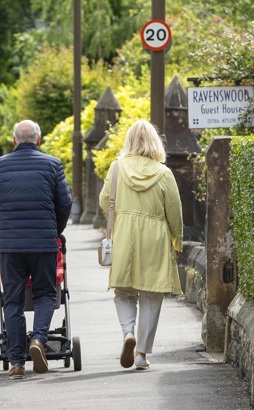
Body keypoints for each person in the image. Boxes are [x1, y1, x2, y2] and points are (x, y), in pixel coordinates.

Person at [0, 120, 72, 380]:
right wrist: (54, 231)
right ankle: (39, 340)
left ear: (14, 140)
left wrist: (2, 229)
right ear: (39, 140)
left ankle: (17, 362)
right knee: (45, 293)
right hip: (44, 244)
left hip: (10, 247)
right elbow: (65, 204)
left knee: (13, 300)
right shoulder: (53, 165)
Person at [99, 119, 183, 370]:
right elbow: (175, 211)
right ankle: (141, 354)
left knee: (124, 292)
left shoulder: (116, 168)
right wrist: (177, 241)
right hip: (155, 237)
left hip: (124, 234)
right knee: (150, 294)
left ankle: (128, 334)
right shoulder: (164, 173)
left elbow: (105, 202)